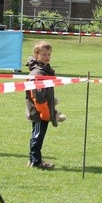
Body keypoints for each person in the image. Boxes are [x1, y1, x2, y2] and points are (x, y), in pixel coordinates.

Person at [25, 41, 64, 170]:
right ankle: (35, 161)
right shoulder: (38, 73)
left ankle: (33, 159)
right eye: (43, 54)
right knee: (37, 136)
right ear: (36, 55)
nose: (47, 57)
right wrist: (44, 111)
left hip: (45, 109)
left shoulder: (45, 70)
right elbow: (37, 95)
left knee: (39, 135)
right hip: (38, 111)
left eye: (49, 54)